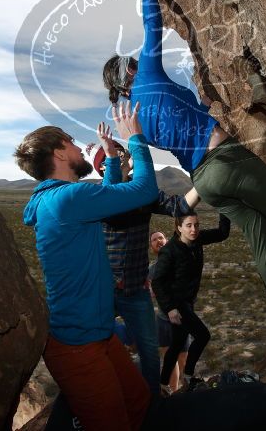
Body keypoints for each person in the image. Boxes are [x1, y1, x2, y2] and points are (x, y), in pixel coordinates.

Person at [102, 0, 266, 330]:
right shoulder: (148, 76)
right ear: (129, 71)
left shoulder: (136, 117)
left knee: (257, 230)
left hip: (205, 182)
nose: (138, 64)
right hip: (225, 159)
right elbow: (151, 23)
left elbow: (175, 130)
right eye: (133, 63)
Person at [13, 103, 155, 431]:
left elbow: (108, 196)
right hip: (77, 346)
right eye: (72, 142)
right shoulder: (67, 199)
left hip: (98, 334)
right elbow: (144, 190)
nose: (80, 148)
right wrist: (135, 139)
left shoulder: (61, 199)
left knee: (138, 401)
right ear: (59, 153)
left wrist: (113, 159)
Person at [85, 138, 200, 395]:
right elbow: (111, 204)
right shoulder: (96, 196)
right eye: (115, 154)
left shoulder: (143, 194)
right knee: (96, 344)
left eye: (123, 151)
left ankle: (154, 400)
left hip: (136, 290)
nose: (124, 155)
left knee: (149, 349)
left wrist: (205, 182)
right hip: (106, 289)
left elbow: (178, 206)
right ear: (104, 167)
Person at [151, 211, 230, 395]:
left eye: (196, 225)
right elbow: (157, 281)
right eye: (188, 225)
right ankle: (188, 376)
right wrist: (170, 308)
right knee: (203, 336)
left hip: (188, 301)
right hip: (177, 303)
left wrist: (224, 209)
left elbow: (222, 233)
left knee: (177, 344)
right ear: (179, 228)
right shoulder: (169, 250)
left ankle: (163, 384)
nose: (193, 229)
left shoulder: (198, 239)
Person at [147, 231, 190, 394]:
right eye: (154, 240)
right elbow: (150, 293)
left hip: (181, 319)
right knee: (169, 361)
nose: (158, 240)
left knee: (183, 360)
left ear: (166, 241)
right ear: (152, 247)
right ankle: (173, 391)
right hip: (163, 321)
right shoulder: (151, 270)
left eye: (161, 238)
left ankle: (188, 391)